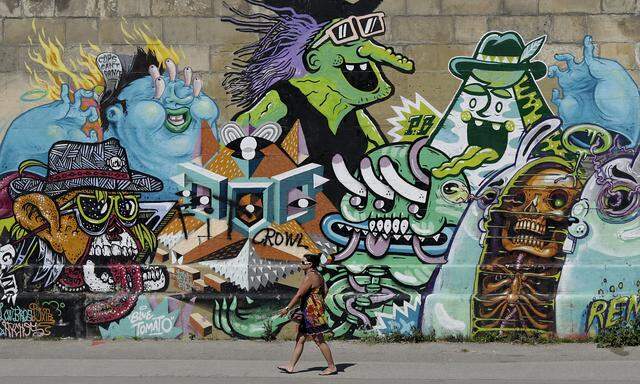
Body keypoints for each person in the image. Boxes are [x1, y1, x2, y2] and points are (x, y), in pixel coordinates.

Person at [277, 253, 337, 375]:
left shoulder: (310, 276)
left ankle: (331, 367)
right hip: (311, 311)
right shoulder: (319, 275)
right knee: (300, 339)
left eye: (303, 262)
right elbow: (325, 290)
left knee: (319, 340)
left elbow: (299, 294)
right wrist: (318, 301)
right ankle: (290, 366)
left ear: (310, 264)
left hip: (311, 313)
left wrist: (287, 308)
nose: (301, 264)